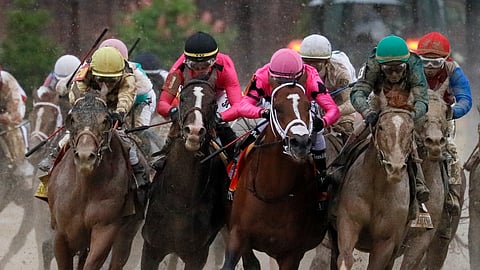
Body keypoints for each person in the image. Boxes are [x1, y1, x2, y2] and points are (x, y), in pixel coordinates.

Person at [37, 47, 149, 202]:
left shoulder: (128, 76)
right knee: (71, 134)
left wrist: (120, 112)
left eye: (111, 80)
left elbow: (126, 95)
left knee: (125, 138)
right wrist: (84, 106)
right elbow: (76, 91)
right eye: (102, 79)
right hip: (89, 104)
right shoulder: (85, 71)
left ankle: (138, 172)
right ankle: (53, 159)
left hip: (114, 106)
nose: (106, 84)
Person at [224, 48, 340, 192]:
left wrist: (322, 122)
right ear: (271, 77)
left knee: (318, 135)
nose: (285, 86)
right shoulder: (261, 76)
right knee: (256, 132)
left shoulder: (311, 78)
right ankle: (236, 172)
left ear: (301, 77)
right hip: (274, 106)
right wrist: (262, 112)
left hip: (301, 106)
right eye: (280, 82)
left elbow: (333, 110)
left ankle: (321, 176)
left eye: (291, 82)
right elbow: (243, 106)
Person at [348, 34, 430, 204]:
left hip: (407, 106)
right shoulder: (372, 64)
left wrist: (411, 116)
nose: (393, 74)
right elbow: (358, 92)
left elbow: (422, 99)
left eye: (399, 68)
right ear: (380, 66)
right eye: (388, 69)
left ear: (406, 64)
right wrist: (367, 112)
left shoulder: (415, 64)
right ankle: (339, 168)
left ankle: (420, 183)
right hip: (379, 105)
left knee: (414, 140)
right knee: (355, 135)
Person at [156, 31, 242, 159]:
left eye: (206, 65)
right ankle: (164, 157)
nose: (200, 70)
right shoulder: (178, 69)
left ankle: (235, 158)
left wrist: (219, 117)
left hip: (217, 97)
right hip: (192, 97)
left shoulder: (225, 66)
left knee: (222, 126)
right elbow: (162, 104)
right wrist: (173, 111)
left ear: (214, 60)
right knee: (179, 121)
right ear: (187, 61)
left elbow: (238, 106)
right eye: (194, 66)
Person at [416, 31, 472, 216]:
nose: (430, 68)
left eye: (436, 63)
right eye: (426, 62)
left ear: (446, 60)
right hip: (416, 120)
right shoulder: (411, 69)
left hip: (442, 121)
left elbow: (465, 99)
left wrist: (450, 111)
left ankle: (452, 195)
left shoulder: (453, 71)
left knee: (451, 153)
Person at [299, 34, 357, 142]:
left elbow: (352, 102)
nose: (311, 69)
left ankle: (348, 156)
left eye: (317, 65)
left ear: (327, 62)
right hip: (310, 104)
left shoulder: (341, 73)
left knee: (347, 129)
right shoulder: (297, 70)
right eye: (307, 63)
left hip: (337, 102)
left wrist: (332, 113)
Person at [99, 38, 157, 128]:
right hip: (115, 102)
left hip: (141, 101)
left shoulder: (135, 71)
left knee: (138, 130)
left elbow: (139, 90)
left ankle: (147, 141)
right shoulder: (90, 67)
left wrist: (119, 112)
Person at [0, 67, 27, 171]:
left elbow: (17, 115)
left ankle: (18, 162)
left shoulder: (8, 82)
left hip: (13, 106)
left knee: (11, 129)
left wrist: (7, 117)